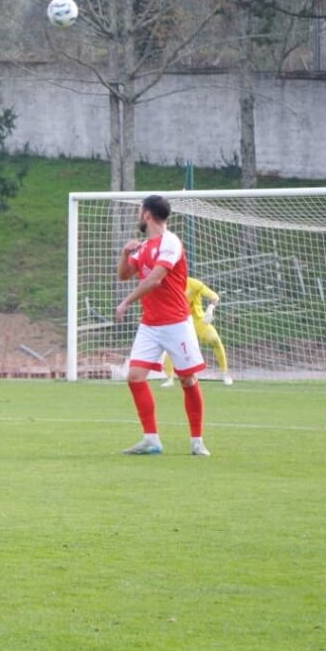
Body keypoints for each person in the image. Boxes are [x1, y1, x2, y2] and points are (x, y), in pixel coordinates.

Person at [115, 194, 210, 456]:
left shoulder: (170, 242)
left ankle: (197, 441)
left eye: (139, 211)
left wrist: (125, 303)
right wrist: (125, 253)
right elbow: (124, 275)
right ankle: (151, 439)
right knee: (134, 377)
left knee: (188, 379)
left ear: (147, 214)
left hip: (177, 323)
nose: (138, 215)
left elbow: (155, 280)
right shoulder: (144, 246)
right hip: (150, 324)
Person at [162, 277, 232, 387]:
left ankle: (225, 373)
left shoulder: (194, 284)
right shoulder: (168, 286)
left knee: (215, 340)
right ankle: (170, 378)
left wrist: (210, 308)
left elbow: (214, 296)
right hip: (180, 321)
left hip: (198, 320)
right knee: (171, 346)